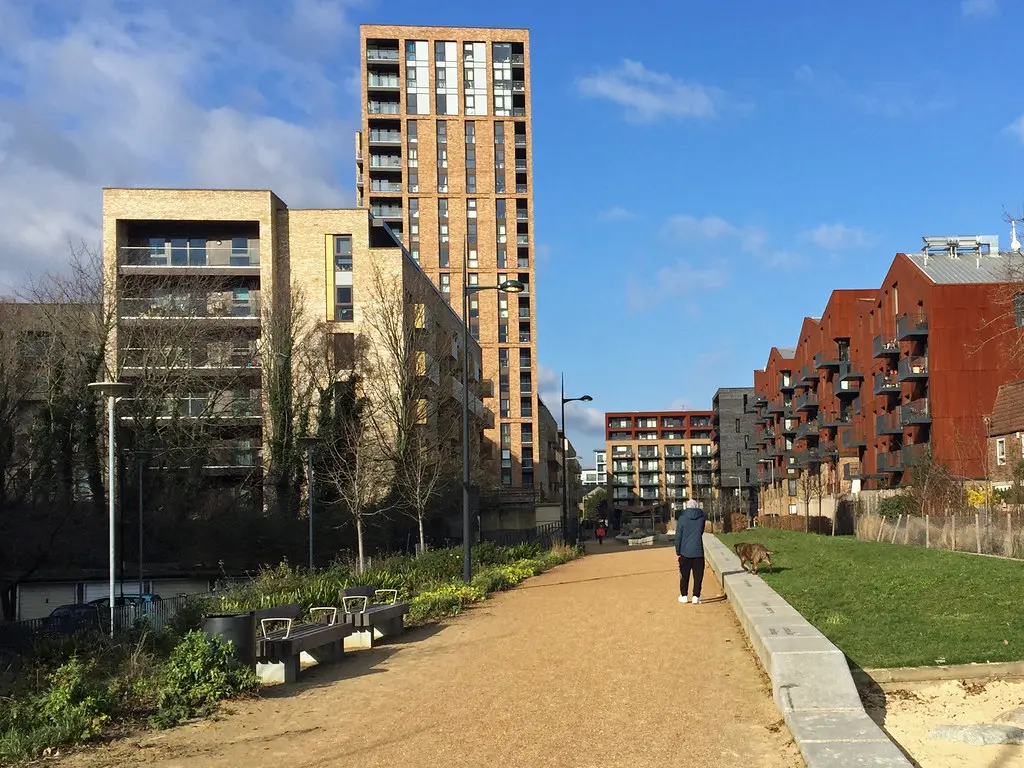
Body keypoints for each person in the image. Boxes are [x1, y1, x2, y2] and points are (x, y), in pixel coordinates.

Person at [675, 498, 707, 604]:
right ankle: (696, 596)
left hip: (685, 552)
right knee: (698, 576)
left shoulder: (682, 518)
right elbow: (701, 532)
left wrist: (678, 552)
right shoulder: (702, 518)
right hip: (698, 552)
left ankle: (684, 595)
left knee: (684, 575)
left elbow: (678, 536)